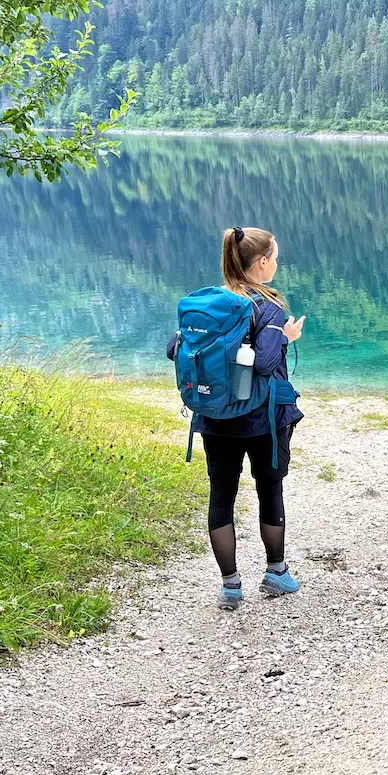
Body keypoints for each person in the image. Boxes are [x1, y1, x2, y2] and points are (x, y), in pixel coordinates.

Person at [169, 226, 305, 609]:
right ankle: (275, 573)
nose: (276, 263)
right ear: (261, 262)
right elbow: (263, 362)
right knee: (269, 490)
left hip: (214, 418)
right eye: (274, 258)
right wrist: (285, 337)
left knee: (222, 495)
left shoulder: (211, 304)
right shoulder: (269, 308)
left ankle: (230, 586)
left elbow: (173, 349)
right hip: (262, 419)